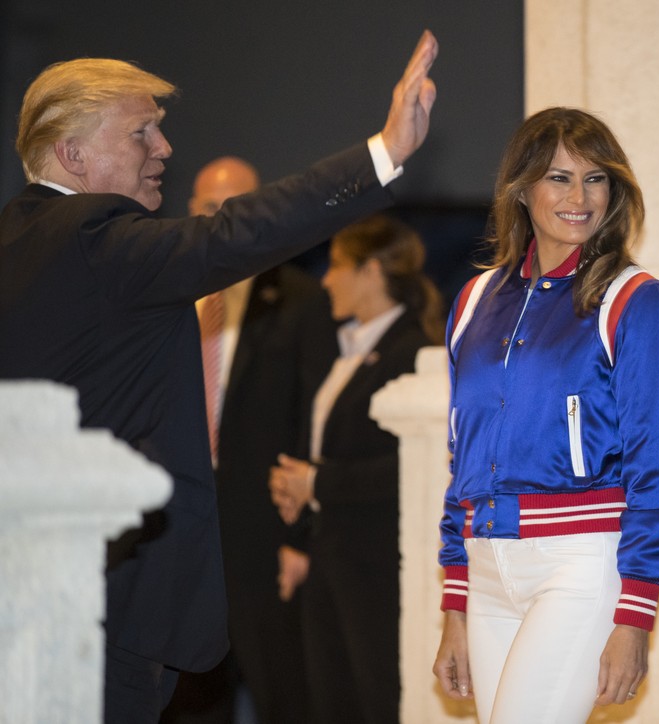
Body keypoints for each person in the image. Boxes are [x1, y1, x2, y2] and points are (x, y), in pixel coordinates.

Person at [0, 30, 437, 724]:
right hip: (100, 605)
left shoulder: (18, 240)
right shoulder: (93, 237)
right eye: (142, 132)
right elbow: (233, 234)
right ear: (73, 153)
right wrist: (382, 152)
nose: (164, 149)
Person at [431, 107, 659, 724]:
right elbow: (461, 462)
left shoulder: (635, 300)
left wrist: (635, 616)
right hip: (488, 567)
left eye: (596, 178)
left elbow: (656, 467)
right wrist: (456, 606)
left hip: (580, 566)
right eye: (559, 178)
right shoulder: (474, 300)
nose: (580, 197)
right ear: (521, 189)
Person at [160, 157, 334, 723]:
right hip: (176, 527)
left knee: (279, 687)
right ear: (191, 212)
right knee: (185, 691)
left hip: (265, 533)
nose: (223, 220)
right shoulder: (164, 297)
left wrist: (300, 536)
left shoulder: (302, 300)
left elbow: (317, 421)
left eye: (237, 207)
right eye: (211, 208)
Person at [268, 213, 443, 724]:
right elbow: (331, 447)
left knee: (377, 700)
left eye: (338, 266)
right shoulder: (350, 346)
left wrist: (316, 482)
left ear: (371, 272)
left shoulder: (415, 349)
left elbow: (412, 467)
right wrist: (299, 494)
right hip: (332, 554)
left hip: (375, 565)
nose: (325, 279)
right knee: (333, 702)